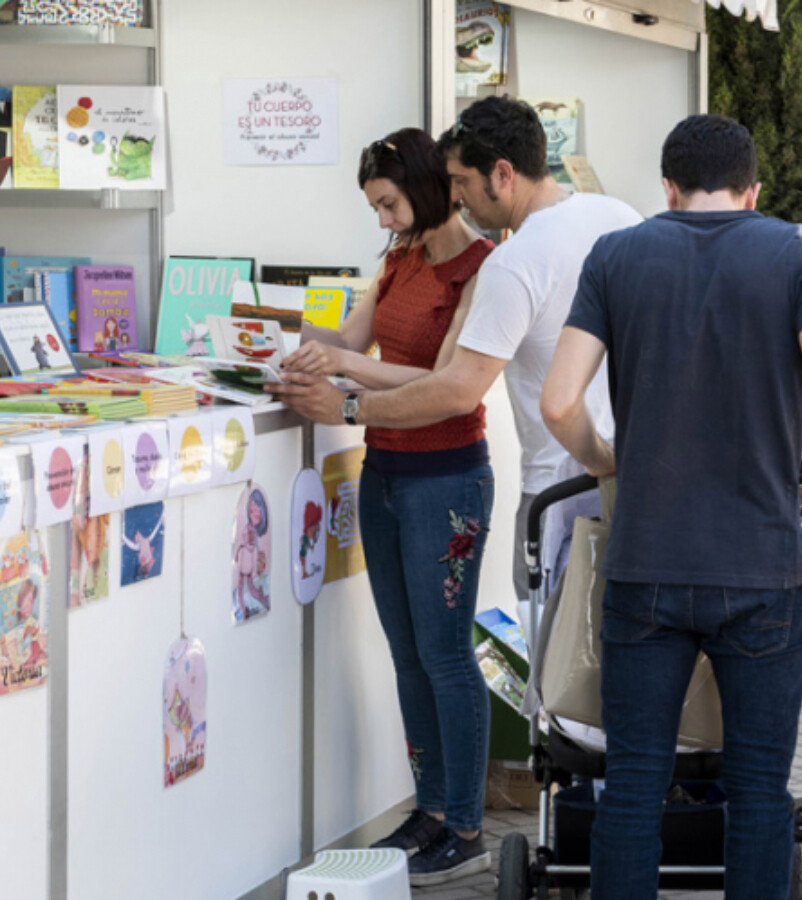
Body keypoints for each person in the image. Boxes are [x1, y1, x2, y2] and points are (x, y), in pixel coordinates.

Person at [540, 114, 802, 899]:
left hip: (644, 567)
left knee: (632, 791)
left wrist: (606, 462)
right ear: (753, 189)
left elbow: (559, 403)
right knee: (759, 795)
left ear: (668, 187)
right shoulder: (798, 250)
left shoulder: (617, 254)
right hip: (760, 572)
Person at [269, 97, 639, 612]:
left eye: (461, 182)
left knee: (553, 668)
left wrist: (346, 407)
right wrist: (269, 328)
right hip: (634, 476)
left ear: (503, 174)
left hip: (554, 488)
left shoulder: (510, 262)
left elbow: (456, 388)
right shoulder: (621, 216)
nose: (457, 197)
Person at [272, 128, 497, 884]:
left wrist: (342, 367)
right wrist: (283, 341)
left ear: (430, 186)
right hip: (387, 472)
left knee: (445, 653)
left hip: (448, 478)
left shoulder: (480, 270)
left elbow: (440, 379)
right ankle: (430, 809)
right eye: (375, 207)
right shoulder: (398, 260)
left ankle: (465, 823)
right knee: (408, 655)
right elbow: (352, 340)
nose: (383, 221)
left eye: (390, 204)